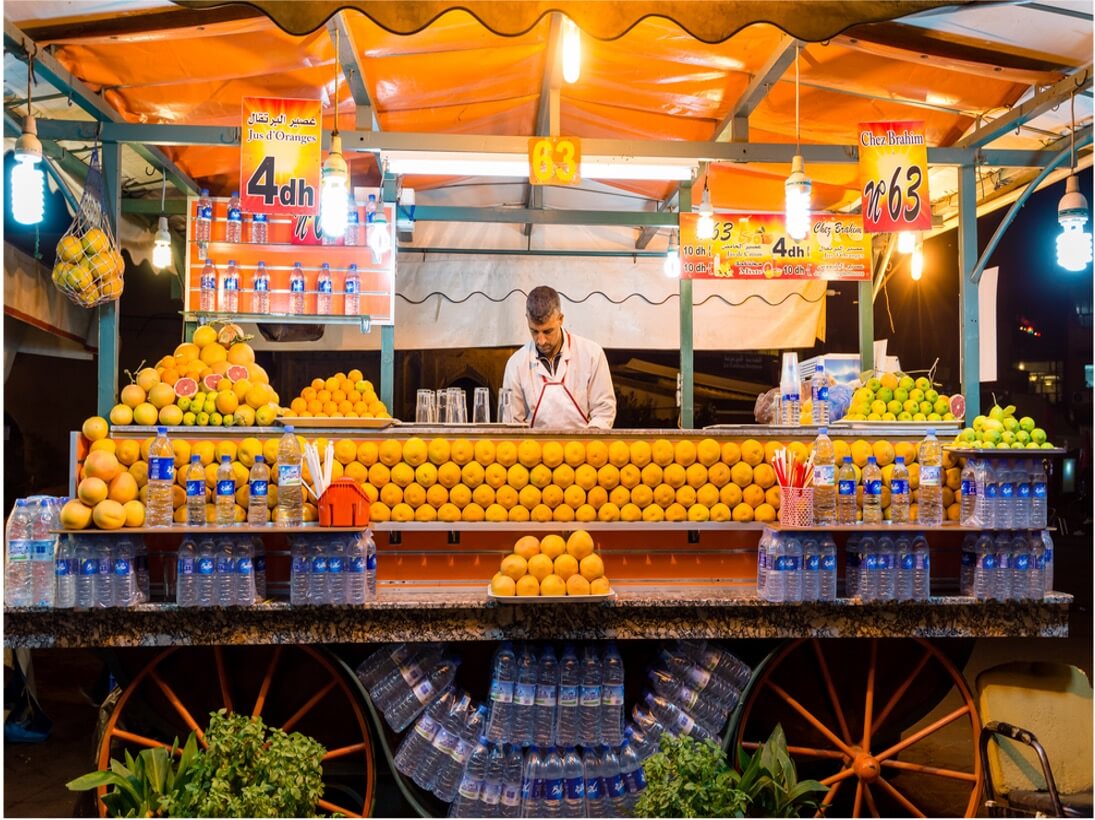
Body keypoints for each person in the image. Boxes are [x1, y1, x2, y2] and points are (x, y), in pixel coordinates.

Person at [502, 286, 616, 429]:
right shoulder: (516, 364)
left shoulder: (592, 354)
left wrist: (590, 437)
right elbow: (512, 423)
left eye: (547, 331)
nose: (541, 341)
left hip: (583, 442)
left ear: (561, 319)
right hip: (534, 443)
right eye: (534, 331)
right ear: (527, 319)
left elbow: (604, 411)